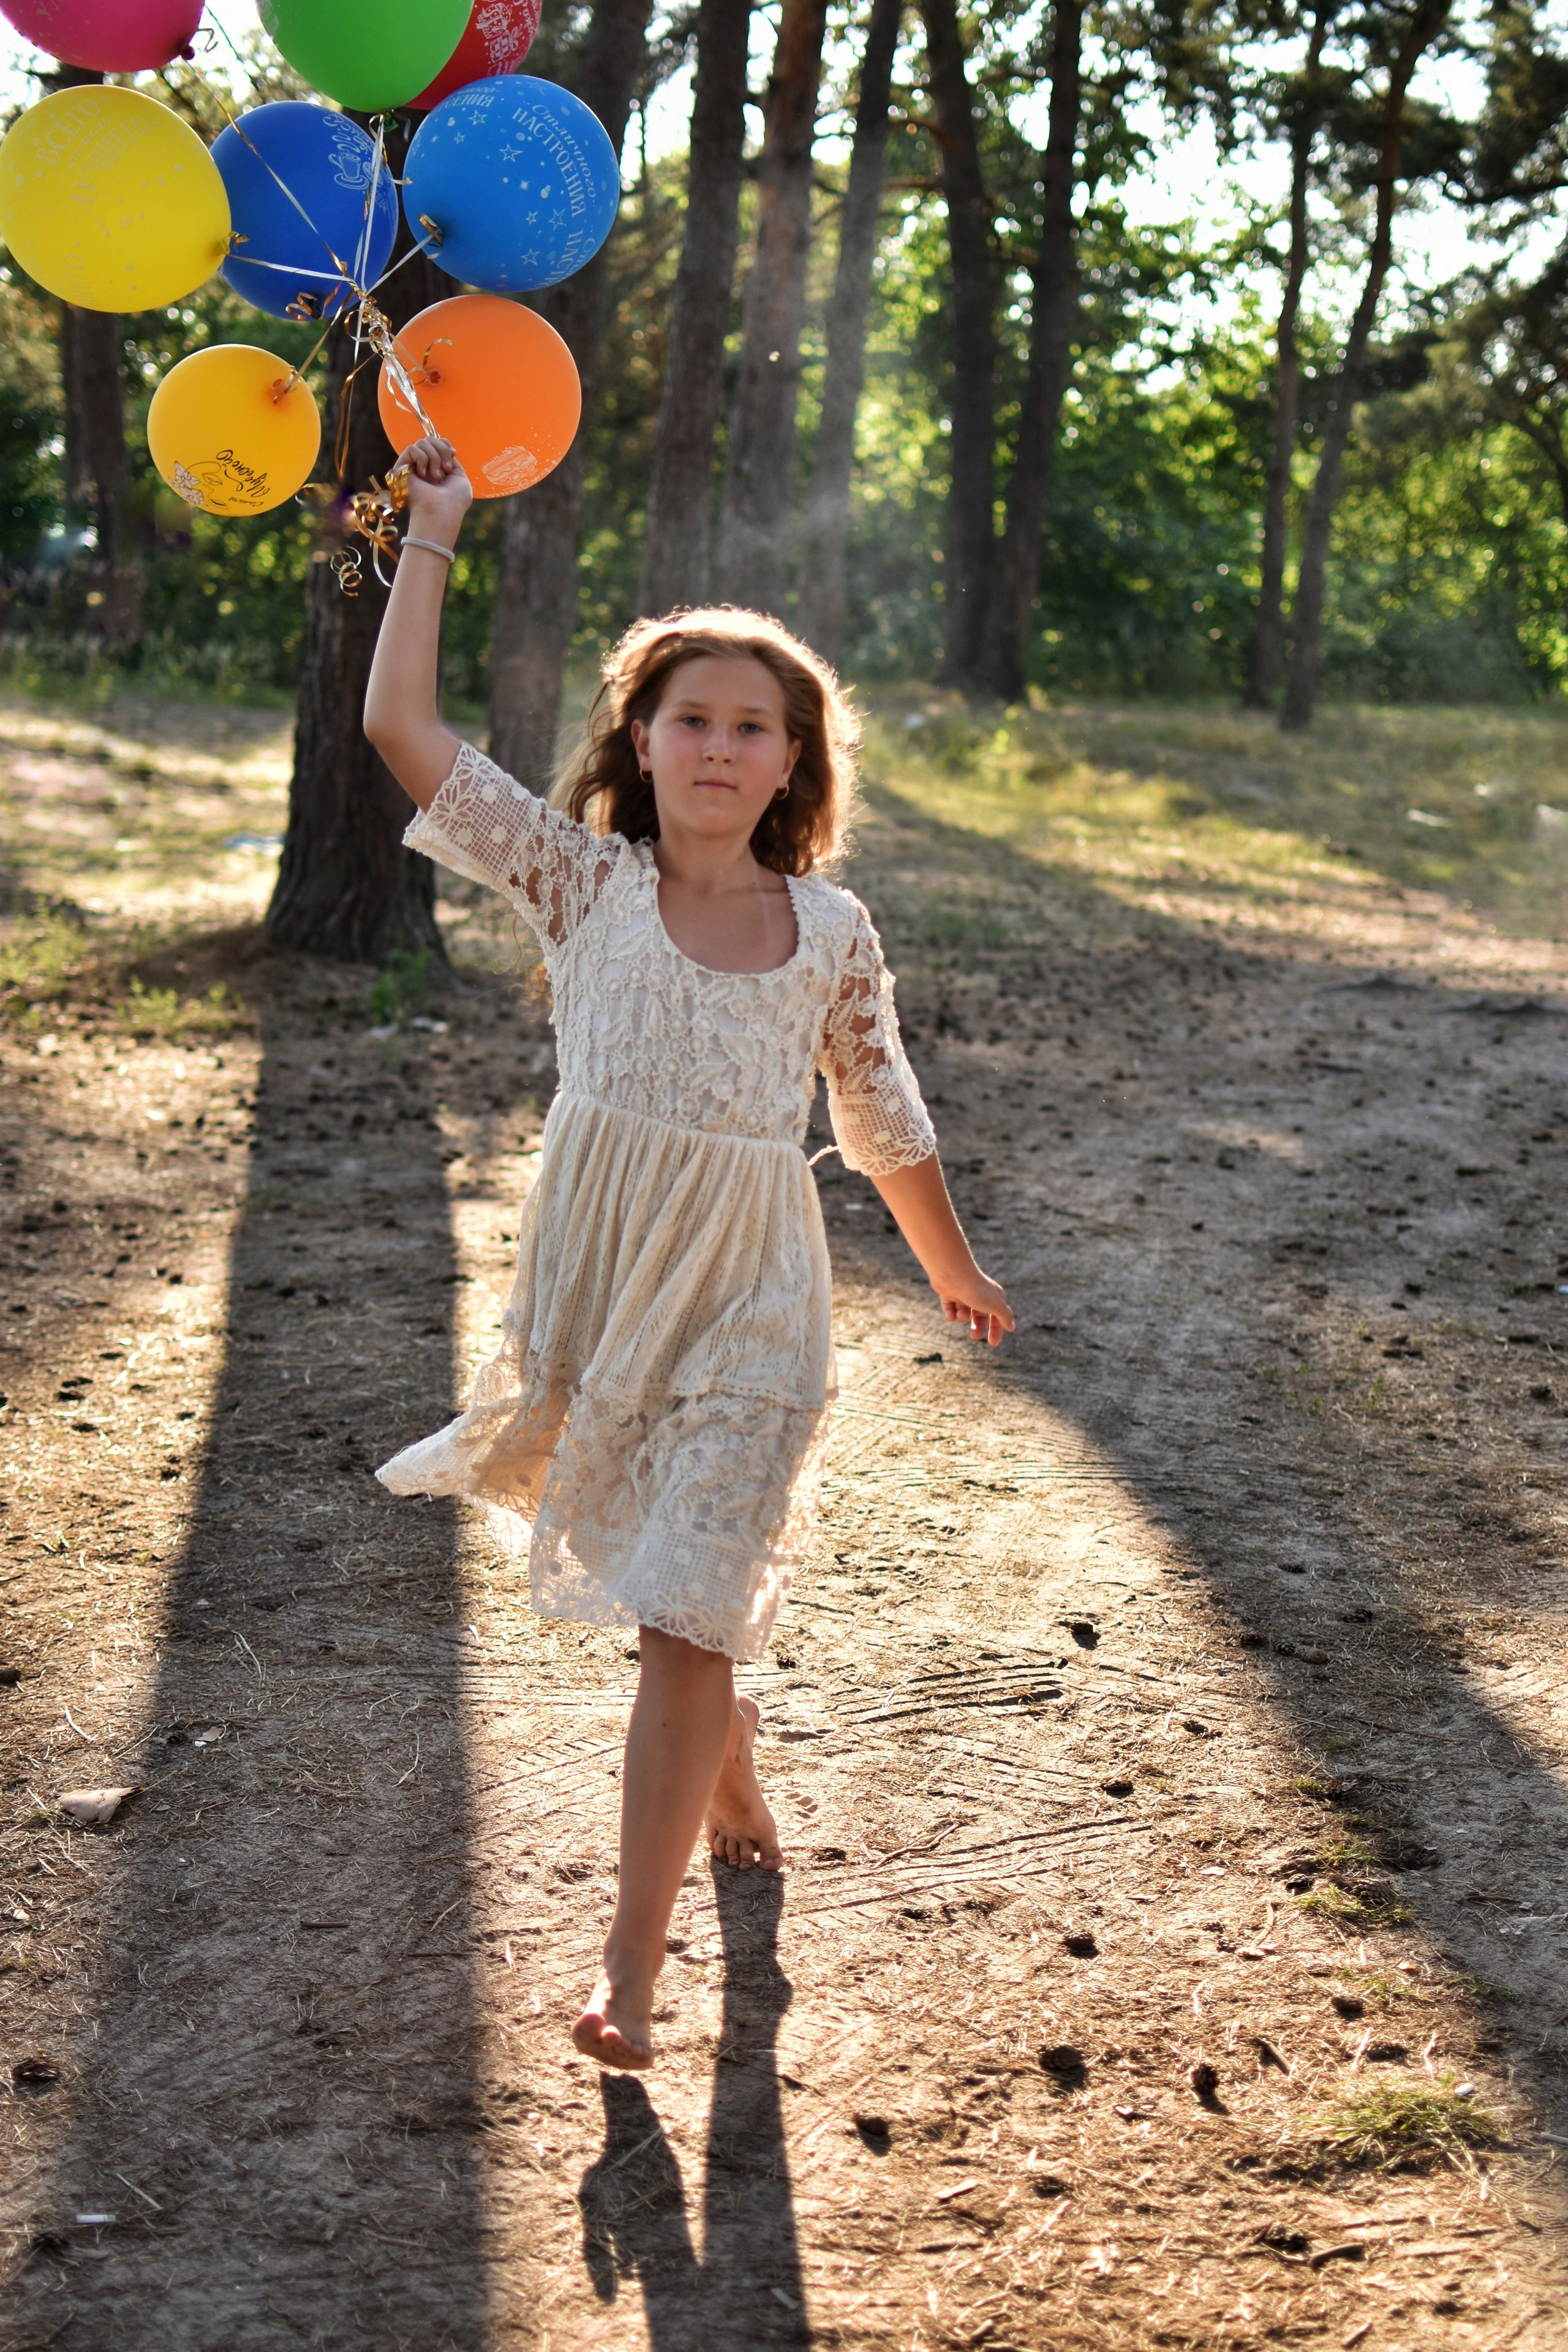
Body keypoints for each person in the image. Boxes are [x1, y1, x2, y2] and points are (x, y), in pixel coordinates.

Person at [364, 435, 1012, 2070]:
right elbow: (402, 731)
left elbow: (883, 1117)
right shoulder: (580, 882)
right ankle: (727, 1764)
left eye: (754, 726)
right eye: (692, 718)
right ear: (640, 742)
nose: (721, 746)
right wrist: (434, 531)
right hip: (602, 1295)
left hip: (756, 1306)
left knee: (680, 1616)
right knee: (680, 1599)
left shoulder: (832, 933)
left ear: (793, 763)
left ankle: (631, 1979)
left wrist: (953, 1266)